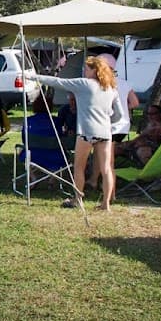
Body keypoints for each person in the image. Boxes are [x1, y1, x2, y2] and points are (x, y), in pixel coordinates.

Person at [28, 55, 123, 211]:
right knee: (106, 168)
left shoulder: (84, 84)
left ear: (94, 70)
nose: (84, 71)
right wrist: (107, 119)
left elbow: (58, 82)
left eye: (86, 69)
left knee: (78, 167)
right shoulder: (111, 88)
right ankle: (106, 204)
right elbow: (118, 115)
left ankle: (78, 199)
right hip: (105, 133)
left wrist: (33, 77)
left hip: (86, 132)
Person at [89, 53, 139, 191]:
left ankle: (104, 186)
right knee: (104, 154)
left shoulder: (102, 83)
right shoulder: (124, 82)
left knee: (104, 157)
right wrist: (124, 108)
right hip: (123, 126)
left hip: (108, 125)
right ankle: (95, 180)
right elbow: (135, 103)